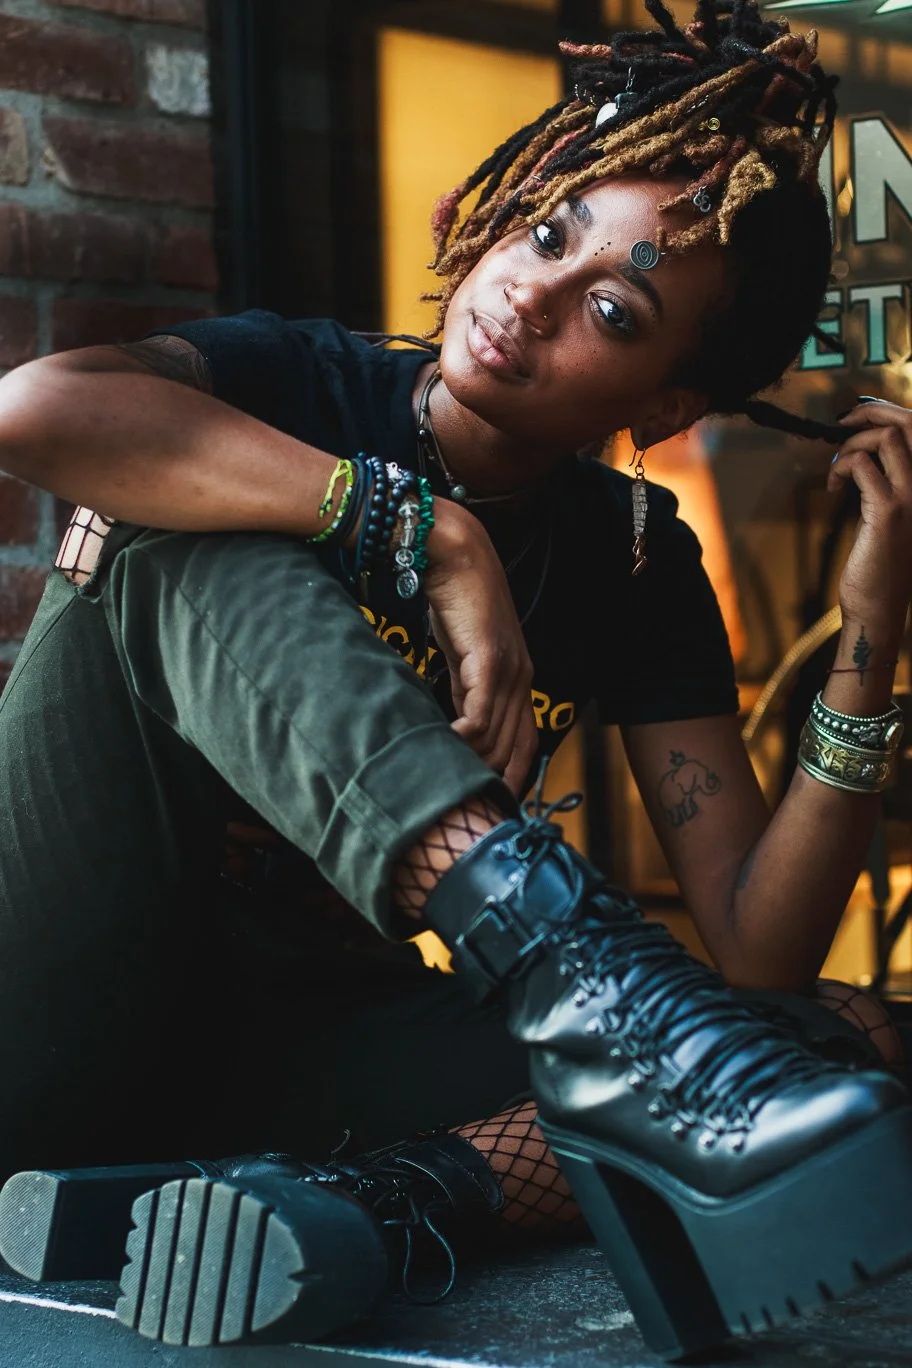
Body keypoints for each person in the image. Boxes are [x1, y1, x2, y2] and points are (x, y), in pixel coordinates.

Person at [1, 0, 912, 1357]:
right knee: (175, 522)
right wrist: (425, 531)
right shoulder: (286, 383)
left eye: (612, 307)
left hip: (294, 1055)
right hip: (57, 995)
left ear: (662, 406)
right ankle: (575, 973)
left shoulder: (632, 565)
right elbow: (32, 409)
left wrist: (869, 639)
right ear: (499, 216)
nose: (534, 295)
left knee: (834, 1040)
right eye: (548, 235)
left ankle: (399, 1198)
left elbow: (760, 950)